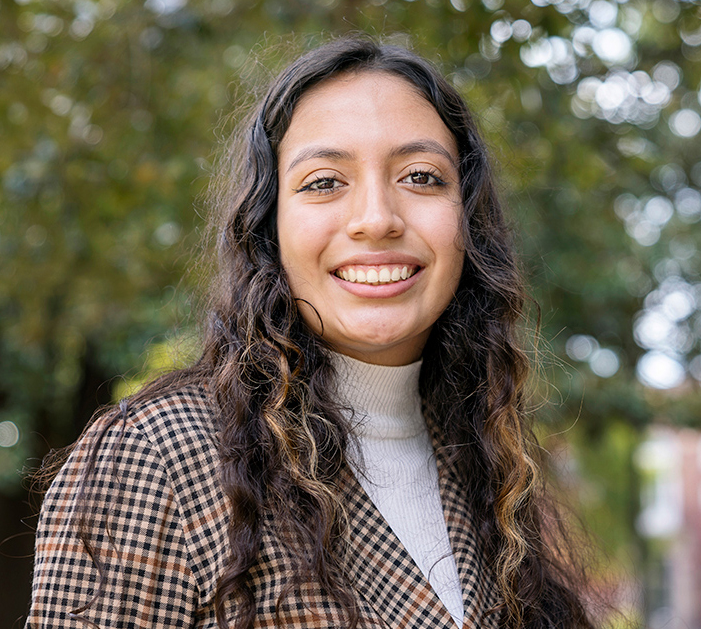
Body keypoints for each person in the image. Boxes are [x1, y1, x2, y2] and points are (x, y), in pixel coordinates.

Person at [27, 36, 600, 629]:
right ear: (268, 224)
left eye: (422, 176)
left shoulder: (490, 470)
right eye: (325, 182)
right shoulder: (156, 458)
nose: (377, 218)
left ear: (468, 220)